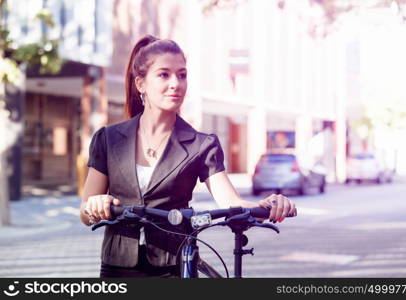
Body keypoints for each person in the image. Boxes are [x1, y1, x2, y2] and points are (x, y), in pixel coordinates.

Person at [79, 34, 297, 278]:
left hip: (174, 265)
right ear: (141, 83)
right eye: (164, 74)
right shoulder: (108, 139)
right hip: (117, 266)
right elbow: (85, 214)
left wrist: (269, 204)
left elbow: (231, 203)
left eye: (182, 75)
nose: (176, 83)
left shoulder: (202, 145)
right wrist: (97, 205)